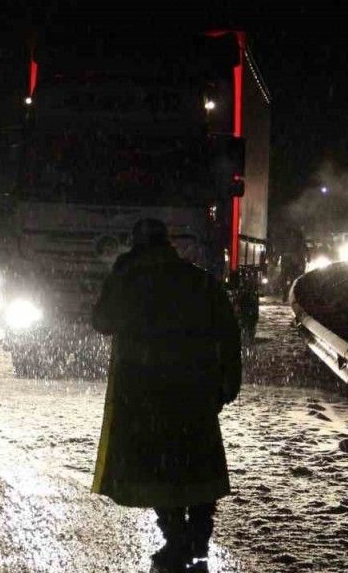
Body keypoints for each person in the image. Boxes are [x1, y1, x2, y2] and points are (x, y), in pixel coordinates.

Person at [90, 218, 242, 572]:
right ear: (168, 244)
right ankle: (199, 535)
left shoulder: (129, 281)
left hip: (143, 392)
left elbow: (102, 321)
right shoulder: (199, 281)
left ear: (136, 245)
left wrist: (117, 275)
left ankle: (176, 537)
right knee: (197, 462)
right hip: (195, 389)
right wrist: (228, 381)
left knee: (157, 469)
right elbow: (228, 332)